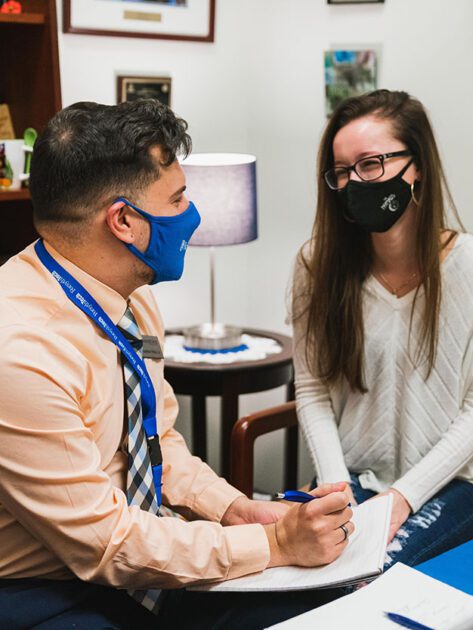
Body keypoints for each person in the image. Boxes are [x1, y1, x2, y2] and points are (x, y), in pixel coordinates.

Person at [0, 100, 354, 629]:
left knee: (316, 609)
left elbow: (156, 442)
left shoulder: (132, 297)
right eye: (178, 198)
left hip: (133, 550)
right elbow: (104, 542)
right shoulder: (19, 353)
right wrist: (274, 542)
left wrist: (234, 509)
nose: (192, 214)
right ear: (123, 220)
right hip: (39, 587)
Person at [290, 89, 473, 569]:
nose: (356, 182)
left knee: (367, 575)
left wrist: (401, 499)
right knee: (291, 576)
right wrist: (337, 489)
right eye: (343, 171)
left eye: (371, 164)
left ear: (417, 167)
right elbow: (312, 390)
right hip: (348, 476)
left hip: (456, 484)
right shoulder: (316, 264)